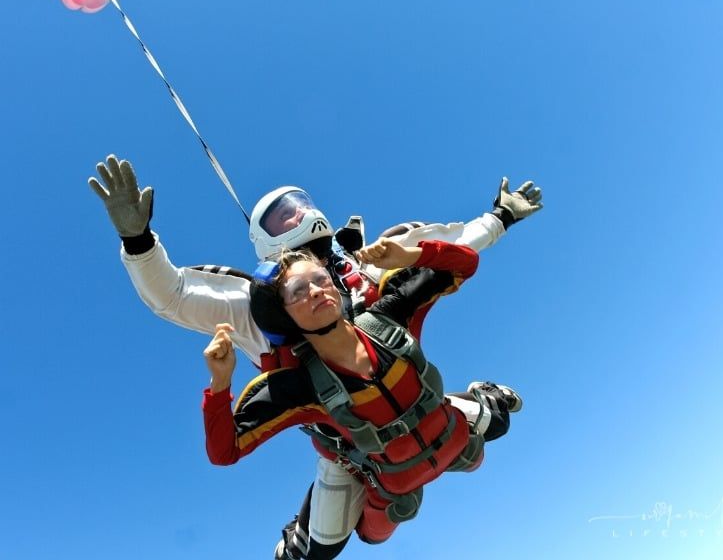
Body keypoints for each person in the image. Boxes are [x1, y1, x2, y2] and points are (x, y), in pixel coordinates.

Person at [88, 154, 543, 558]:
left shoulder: (371, 265)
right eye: (283, 216)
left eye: (301, 204)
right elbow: (176, 294)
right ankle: (303, 537)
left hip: (418, 401)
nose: (302, 216)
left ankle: (483, 400)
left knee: (491, 426)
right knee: (337, 543)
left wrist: (499, 217)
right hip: (346, 442)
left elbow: (460, 246)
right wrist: (139, 242)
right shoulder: (256, 306)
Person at [203, 237, 518, 558]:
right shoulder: (299, 387)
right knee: (355, 541)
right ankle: (301, 530)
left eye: (320, 280)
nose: (315, 291)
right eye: (298, 290)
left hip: (453, 439)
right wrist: (220, 383)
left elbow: (465, 265)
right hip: (394, 487)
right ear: (283, 316)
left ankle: (481, 395)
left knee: (499, 422)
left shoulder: (390, 316)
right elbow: (225, 451)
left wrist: (411, 254)